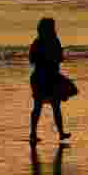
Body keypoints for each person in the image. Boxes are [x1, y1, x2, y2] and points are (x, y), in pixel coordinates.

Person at [29, 17, 75, 145]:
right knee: (52, 106)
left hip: (40, 76)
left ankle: (36, 133)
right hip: (47, 76)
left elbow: (32, 60)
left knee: (41, 106)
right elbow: (60, 59)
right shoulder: (53, 41)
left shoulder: (37, 42)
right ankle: (57, 133)